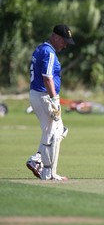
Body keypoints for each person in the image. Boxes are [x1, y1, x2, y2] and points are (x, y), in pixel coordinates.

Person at [26, 24, 75, 181]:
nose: (66, 45)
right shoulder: (49, 52)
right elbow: (47, 78)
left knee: (57, 130)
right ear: (55, 37)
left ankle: (39, 161)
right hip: (44, 96)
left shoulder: (41, 48)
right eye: (64, 41)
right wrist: (54, 99)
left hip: (39, 95)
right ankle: (48, 172)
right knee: (54, 133)